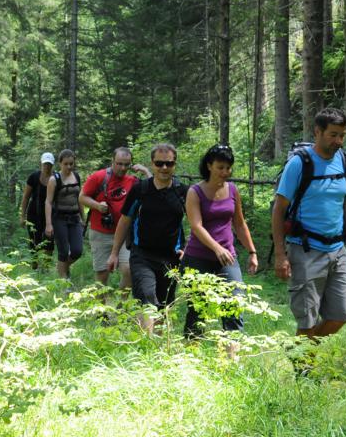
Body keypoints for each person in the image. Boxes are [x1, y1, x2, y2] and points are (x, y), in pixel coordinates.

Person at [271, 108, 346, 355]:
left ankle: (301, 352)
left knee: (341, 315)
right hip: (305, 249)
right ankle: (304, 373)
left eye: (342, 135)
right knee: (307, 319)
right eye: (333, 134)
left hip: (337, 249)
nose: (338, 141)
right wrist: (280, 255)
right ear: (317, 132)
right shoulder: (300, 164)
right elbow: (279, 211)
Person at [181, 144, 258, 337]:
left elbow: (239, 223)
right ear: (209, 166)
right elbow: (196, 226)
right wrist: (216, 248)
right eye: (220, 167)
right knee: (199, 310)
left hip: (227, 257)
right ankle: (191, 356)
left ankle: (232, 361)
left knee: (234, 305)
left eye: (228, 168)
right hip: (198, 258)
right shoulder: (195, 192)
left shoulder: (232, 190)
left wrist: (252, 252)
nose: (225, 172)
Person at [108, 143, 188, 332]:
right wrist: (113, 253)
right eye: (159, 163)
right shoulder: (141, 189)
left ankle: (159, 346)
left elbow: (196, 222)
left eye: (169, 164)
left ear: (175, 164)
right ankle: (148, 345)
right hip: (142, 254)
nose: (164, 168)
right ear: (152, 164)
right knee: (147, 297)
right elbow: (125, 221)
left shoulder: (183, 191)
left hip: (171, 257)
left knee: (164, 305)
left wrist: (189, 248)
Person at [79, 147, 149, 290]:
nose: (123, 168)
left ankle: (121, 307)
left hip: (124, 234)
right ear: (112, 161)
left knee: (129, 270)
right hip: (101, 233)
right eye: (119, 163)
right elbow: (82, 197)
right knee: (102, 274)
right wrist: (97, 206)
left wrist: (146, 172)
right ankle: (102, 310)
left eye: (127, 164)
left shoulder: (133, 181)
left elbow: (153, 190)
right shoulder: (99, 177)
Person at [45, 149, 85, 279]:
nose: (69, 166)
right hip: (59, 218)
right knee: (63, 251)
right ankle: (64, 281)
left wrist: (82, 218)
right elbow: (48, 202)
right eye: (66, 164)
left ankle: (62, 268)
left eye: (71, 163)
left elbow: (80, 199)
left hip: (74, 218)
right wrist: (49, 224)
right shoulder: (54, 179)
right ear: (60, 163)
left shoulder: (77, 177)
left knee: (77, 250)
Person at [20, 152, 55, 267]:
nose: (47, 166)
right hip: (33, 213)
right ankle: (34, 266)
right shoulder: (34, 177)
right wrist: (22, 216)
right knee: (34, 241)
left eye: (49, 164)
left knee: (49, 242)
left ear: (53, 165)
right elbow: (26, 197)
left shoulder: (56, 179)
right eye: (45, 164)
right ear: (41, 163)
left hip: (50, 215)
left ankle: (46, 267)